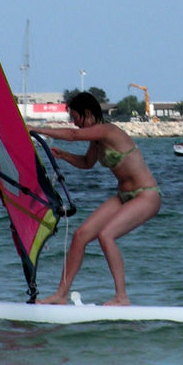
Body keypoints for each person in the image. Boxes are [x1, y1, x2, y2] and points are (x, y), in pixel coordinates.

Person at [30, 91, 161, 306]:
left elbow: (73, 136)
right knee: (81, 235)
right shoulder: (97, 140)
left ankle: (121, 297)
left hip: (147, 195)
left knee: (106, 235)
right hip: (125, 196)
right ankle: (61, 295)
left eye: (75, 117)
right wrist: (63, 155)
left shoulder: (107, 131)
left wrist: (36, 129)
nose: (74, 122)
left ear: (88, 113)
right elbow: (86, 163)